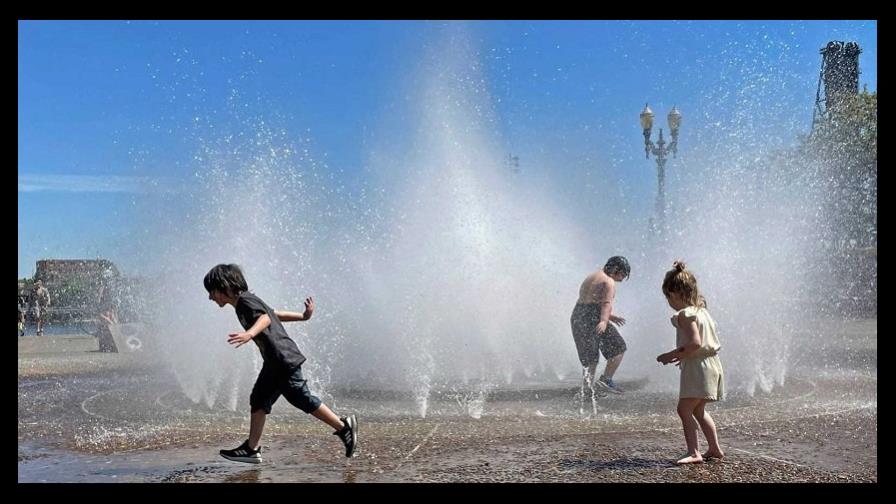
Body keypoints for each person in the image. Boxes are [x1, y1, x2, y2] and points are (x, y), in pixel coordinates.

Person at [204, 263, 357, 464]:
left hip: (283, 359)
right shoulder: (247, 301)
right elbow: (274, 313)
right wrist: (302, 317)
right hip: (274, 362)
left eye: (211, 292)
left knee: (299, 396)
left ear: (224, 286)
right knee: (259, 399)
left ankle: (343, 427)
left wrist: (249, 333)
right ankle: (251, 449)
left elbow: (266, 318)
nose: (210, 297)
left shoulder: (244, 302)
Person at [656, 260, 725, 465]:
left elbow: (695, 342)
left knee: (684, 409)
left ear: (675, 294)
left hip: (699, 367)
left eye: (668, 297)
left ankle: (694, 452)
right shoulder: (702, 311)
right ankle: (714, 448)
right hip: (711, 364)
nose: (668, 301)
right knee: (698, 409)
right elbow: (699, 345)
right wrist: (684, 356)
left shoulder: (685, 314)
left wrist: (671, 354)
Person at [570, 255, 631, 395]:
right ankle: (606, 380)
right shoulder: (609, 281)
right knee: (619, 347)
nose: (621, 279)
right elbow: (606, 303)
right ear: (616, 269)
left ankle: (587, 388)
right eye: (623, 274)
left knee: (590, 356)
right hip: (594, 318)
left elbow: (589, 301)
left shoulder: (593, 276)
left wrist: (610, 316)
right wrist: (604, 320)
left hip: (578, 315)